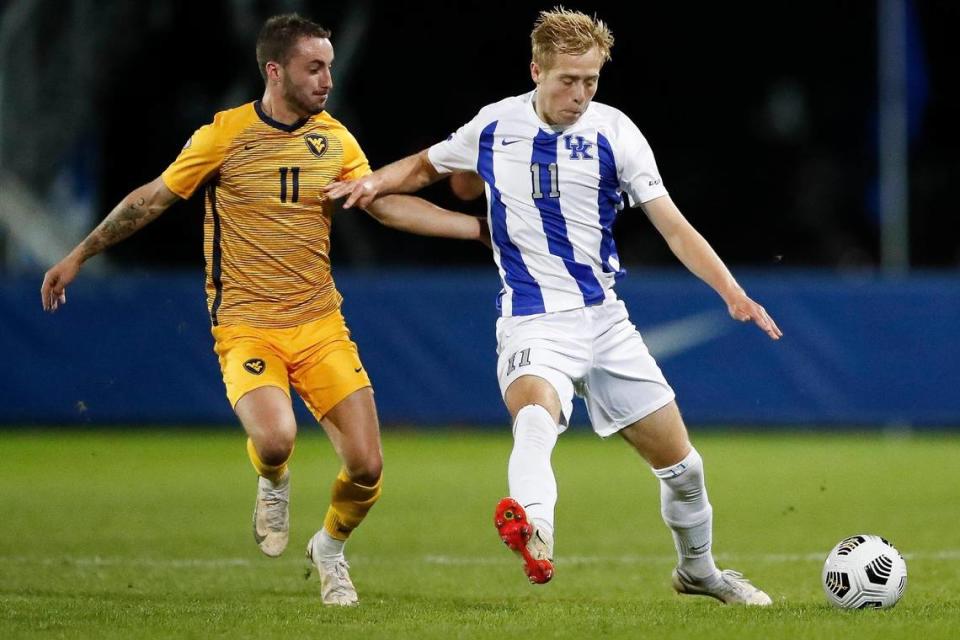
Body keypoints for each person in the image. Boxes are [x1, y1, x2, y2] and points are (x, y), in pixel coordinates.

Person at [325, 7, 782, 605]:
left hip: (606, 321)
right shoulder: (495, 125)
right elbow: (427, 166)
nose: (580, 93)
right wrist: (372, 184)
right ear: (536, 70)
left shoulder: (616, 131)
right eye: (568, 79)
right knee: (537, 418)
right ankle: (535, 527)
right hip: (533, 319)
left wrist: (732, 292)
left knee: (685, 471)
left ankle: (699, 572)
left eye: (591, 80)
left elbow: (671, 226)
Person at [40, 13, 486, 607]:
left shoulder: (336, 140)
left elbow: (383, 206)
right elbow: (150, 199)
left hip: (320, 323)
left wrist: (476, 229)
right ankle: (273, 481)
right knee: (276, 439)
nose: (327, 78)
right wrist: (79, 253)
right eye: (315, 67)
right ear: (276, 71)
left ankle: (329, 547)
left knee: (367, 468)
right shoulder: (224, 135)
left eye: (329, 65)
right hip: (247, 326)